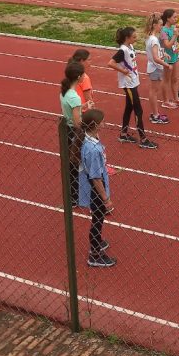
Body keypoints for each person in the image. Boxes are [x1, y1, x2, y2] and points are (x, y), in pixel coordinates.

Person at [107, 26, 158, 149]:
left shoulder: (130, 46)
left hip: (133, 81)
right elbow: (111, 63)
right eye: (134, 37)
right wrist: (123, 71)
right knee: (138, 110)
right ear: (127, 38)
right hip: (128, 84)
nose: (136, 38)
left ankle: (123, 134)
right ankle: (143, 139)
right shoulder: (123, 50)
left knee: (129, 108)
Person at [78, 108, 116, 268]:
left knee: (98, 217)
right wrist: (106, 199)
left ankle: (98, 241)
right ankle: (94, 254)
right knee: (97, 219)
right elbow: (95, 178)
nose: (104, 123)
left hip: (95, 186)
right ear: (94, 125)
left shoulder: (91, 139)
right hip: (96, 189)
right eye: (102, 122)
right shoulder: (92, 150)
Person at [60, 61, 85, 206]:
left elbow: (71, 111)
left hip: (67, 131)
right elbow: (77, 122)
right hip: (74, 133)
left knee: (71, 164)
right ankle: (76, 196)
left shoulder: (64, 93)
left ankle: (73, 195)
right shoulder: (75, 97)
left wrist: (83, 106)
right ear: (79, 77)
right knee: (76, 164)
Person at [145, 14, 170, 125]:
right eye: (160, 25)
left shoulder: (150, 37)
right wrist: (167, 65)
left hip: (154, 67)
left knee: (154, 91)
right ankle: (155, 115)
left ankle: (155, 113)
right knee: (154, 92)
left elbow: (155, 52)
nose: (162, 27)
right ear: (154, 25)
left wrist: (163, 54)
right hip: (155, 68)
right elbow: (155, 57)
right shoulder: (154, 39)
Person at [160, 8, 179, 106]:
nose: (176, 19)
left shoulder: (174, 27)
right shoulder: (163, 31)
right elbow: (167, 45)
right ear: (168, 19)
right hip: (167, 58)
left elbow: (178, 41)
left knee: (175, 79)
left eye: (176, 17)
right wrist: (174, 35)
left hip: (175, 56)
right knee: (166, 80)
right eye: (174, 17)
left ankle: (176, 98)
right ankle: (165, 101)